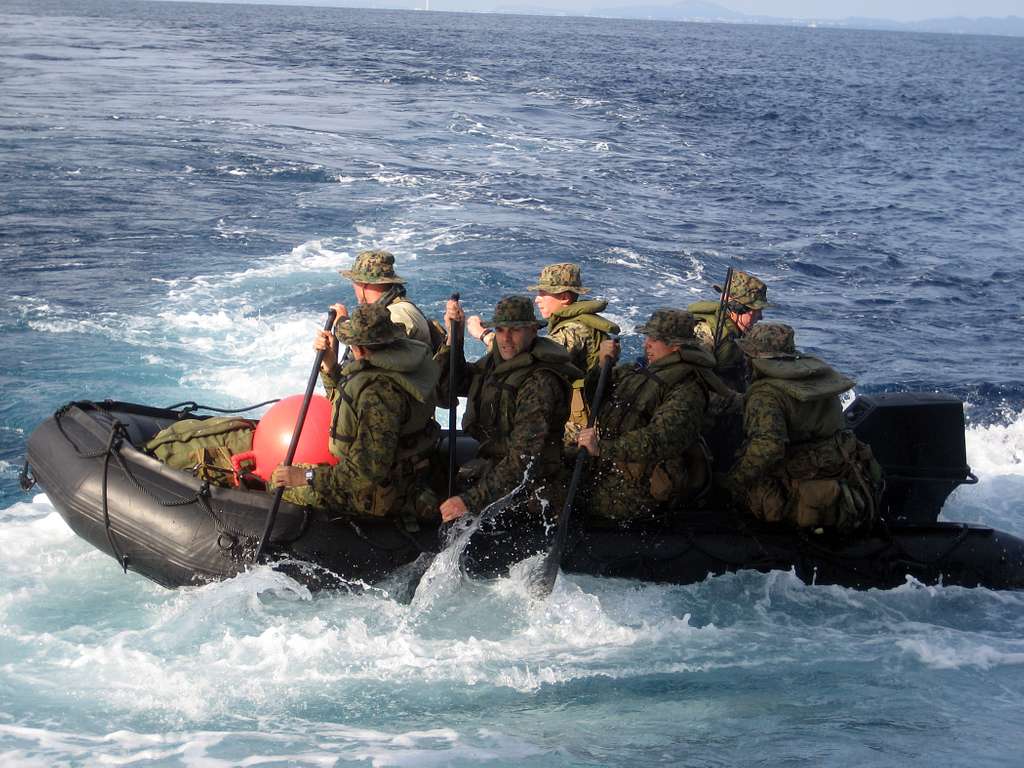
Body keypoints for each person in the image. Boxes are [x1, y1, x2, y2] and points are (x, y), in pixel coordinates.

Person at [271, 303, 441, 522]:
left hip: (383, 493)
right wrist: (331, 367)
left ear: (359, 349)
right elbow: (352, 402)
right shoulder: (402, 369)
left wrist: (305, 476)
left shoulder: (378, 394)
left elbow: (366, 472)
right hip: (411, 471)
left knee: (276, 481)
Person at [722, 323, 882, 532]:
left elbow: (768, 448)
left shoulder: (766, 394)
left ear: (755, 358)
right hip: (844, 475)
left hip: (799, 486)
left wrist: (733, 482)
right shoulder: (815, 381)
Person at [437, 295, 582, 523]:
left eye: (515, 331)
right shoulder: (497, 364)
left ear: (533, 330)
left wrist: (469, 501)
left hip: (532, 487)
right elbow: (451, 387)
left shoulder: (539, 382)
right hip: (496, 464)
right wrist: (455, 337)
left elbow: (523, 460)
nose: (506, 338)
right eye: (501, 330)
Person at [576, 309, 728, 521]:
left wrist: (603, 448)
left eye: (655, 339)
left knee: (579, 505)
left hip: (640, 484)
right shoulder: (637, 370)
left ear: (676, 345)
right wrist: (602, 366)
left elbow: (664, 438)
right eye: (647, 336)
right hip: (608, 464)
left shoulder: (687, 387)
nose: (646, 343)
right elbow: (595, 398)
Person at [334, 249, 441, 351]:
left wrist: (341, 322)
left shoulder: (396, 314)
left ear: (362, 284)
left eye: (354, 281)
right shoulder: (394, 308)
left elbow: (378, 359)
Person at [688, 270, 772, 392]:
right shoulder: (708, 334)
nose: (760, 317)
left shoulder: (739, 332)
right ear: (737, 308)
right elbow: (692, 384)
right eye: (755, 311)